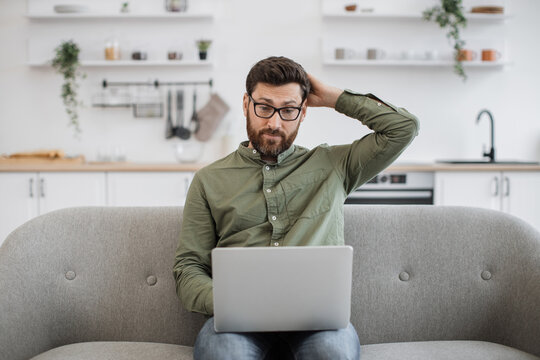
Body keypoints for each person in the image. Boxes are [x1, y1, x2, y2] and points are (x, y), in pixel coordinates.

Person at [173, 56, 419, 360]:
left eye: (288, 110)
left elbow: (404, 128)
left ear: (303, 112)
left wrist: (333, 98)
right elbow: (188, 268)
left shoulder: (333, 166)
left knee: (332, 353)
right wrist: (230, 301)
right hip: (237, 322)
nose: (274, 123)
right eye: (263, 107)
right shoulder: (208, 180)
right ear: (246, 104)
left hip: (318, 322)